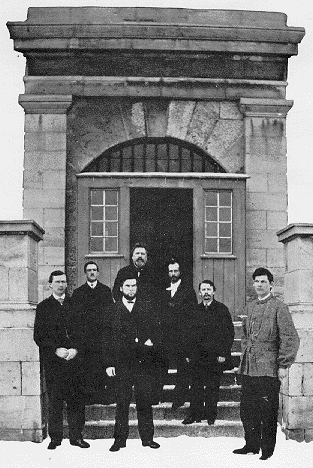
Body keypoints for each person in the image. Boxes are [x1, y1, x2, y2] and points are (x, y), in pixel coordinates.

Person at [233, 267, 300, 460]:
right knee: (247, 410)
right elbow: (245, 336)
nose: (259, 285)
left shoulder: (280, 307)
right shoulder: (251, 306)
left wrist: (283, 364)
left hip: (269, 368)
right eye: (257, 281)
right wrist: (244, 358)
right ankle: (251, 445)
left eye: (263, 281)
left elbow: (290, 338)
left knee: (267, 411)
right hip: (249, 368)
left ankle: (267, 449)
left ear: (271, 284)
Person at [104, 271, 161, 452]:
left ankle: (147, 438)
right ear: (121, 288)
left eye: (134, 285)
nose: (131, 289)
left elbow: (156, 331)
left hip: (143, 363)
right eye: (127, 286)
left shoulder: (147, 308)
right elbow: (106, 339)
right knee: (122, 402)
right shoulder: (112, 310)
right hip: (121, 363)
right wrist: (109, 363)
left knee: (144, 401)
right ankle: (119, 440)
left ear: (138, 287)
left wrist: (152, 341)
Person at [33, 271, 90, 450]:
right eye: (57, 282)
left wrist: (76, 349)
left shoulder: (77, 304)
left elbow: (84, 332)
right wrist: (55, 350)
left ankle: (76, 436)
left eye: (64, 282)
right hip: (55, 363)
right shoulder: (44, 307)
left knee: (76, 400)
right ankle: (55, 438)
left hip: (75, 362)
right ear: (50, 284)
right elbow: (39, 336)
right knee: (55, 401)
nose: (61, 285)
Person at [182, 280, 234, 425]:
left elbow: (228, 333)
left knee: (212, 387)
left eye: (208, 289)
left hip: (215, 357)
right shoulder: (194, 311)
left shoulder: (221, 310)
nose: (206, 292)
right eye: (203, 290)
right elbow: (187, 334)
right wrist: (188, 354)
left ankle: (211, 415)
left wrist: (223, 353)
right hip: (197, 357)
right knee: (196, 388)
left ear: (214, 291)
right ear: (199, 293)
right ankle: (194, 415)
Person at [71, 261, 114, 404]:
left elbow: (110, 314)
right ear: (85, 273)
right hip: (86, 337)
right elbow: (75, 318)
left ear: (98, 273)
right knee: (88, 367)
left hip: (102, 336)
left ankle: (102, 396)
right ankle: (89, 397)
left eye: (94, 270)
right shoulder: (78, 293)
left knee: (102, 365)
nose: (92, 272)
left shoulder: (106, 291)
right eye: (89, 270)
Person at [160, 259, 198, 410]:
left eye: (175, 271)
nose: (173, 274)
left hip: (182, 336)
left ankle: (179, 398)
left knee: (182, 368)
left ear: (180, 272)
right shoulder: (163, 289)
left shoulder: (188, 291)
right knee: (163, 365)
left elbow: (193, 315)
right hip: (166, 335)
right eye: (170, 271)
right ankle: (160, 395)